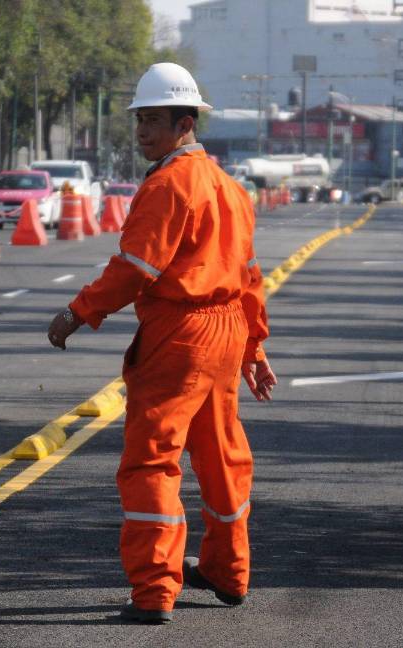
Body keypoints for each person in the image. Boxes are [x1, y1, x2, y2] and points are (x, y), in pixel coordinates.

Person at [46, 62, 277, 625]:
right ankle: (228, 571)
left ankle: (153, 590)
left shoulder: (168, 185)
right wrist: (253, 347)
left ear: (185, 123)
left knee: (151, 460)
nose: (143, 132)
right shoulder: (229, 187)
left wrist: (78, 312)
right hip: (226, 331)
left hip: (181, 334)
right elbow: (249, 274)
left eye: (153, 121)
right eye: (140, 120)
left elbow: (135, 268)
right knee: (222, 456)